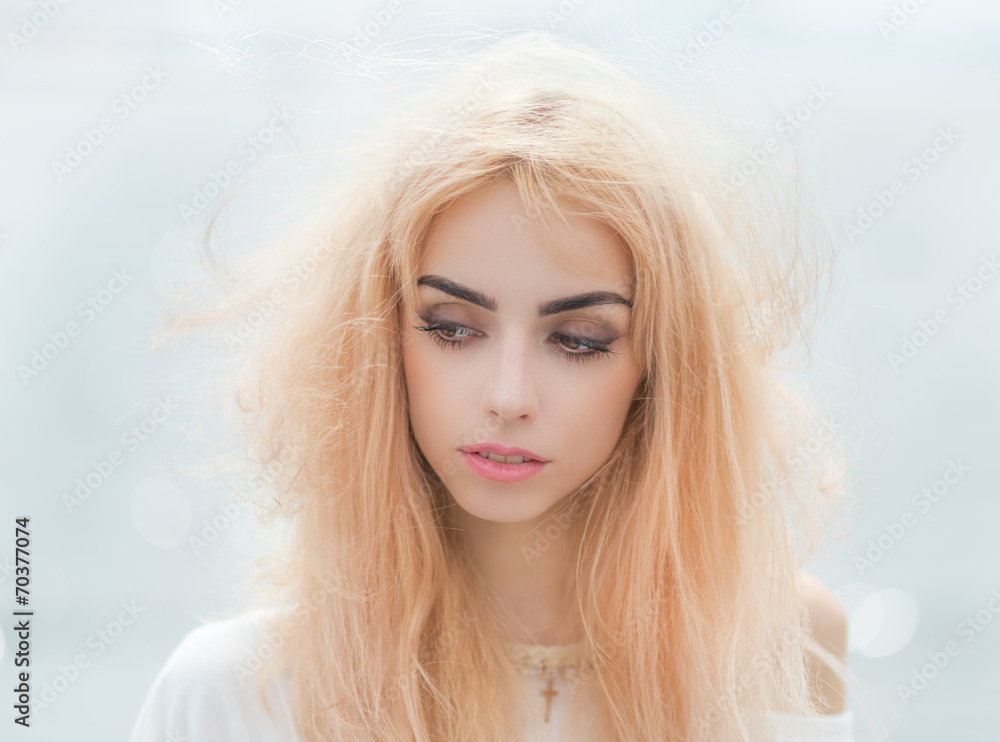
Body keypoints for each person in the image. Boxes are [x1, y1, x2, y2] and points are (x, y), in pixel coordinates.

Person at [131, 29, 862, 742]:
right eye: (452, 327)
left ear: (659, 370)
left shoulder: (778, 645)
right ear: (381, 340)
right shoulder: (229, 697)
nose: (509, 396)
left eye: (578, 340)